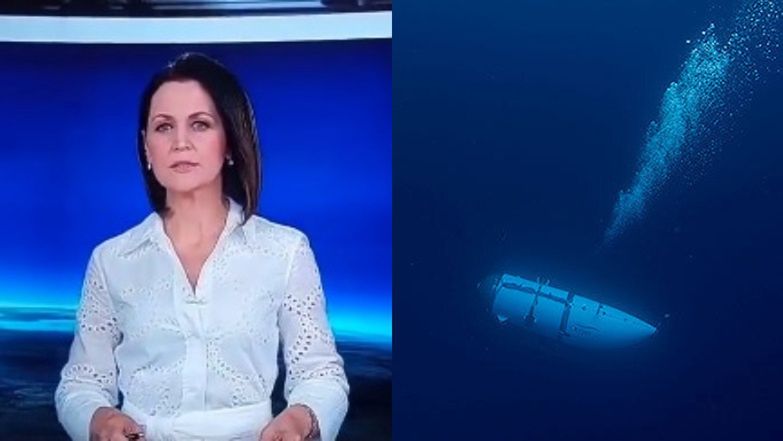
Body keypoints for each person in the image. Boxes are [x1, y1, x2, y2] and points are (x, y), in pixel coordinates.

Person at [54, 52, 349, 441]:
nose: (180, 143)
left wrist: (300, 418)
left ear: (229, 143)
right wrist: (98, 419)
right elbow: (81, 383)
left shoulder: (285, 251)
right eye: (163, 127)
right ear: (146, 148)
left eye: (200, 124)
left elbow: (321, 374)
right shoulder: (112, 260)